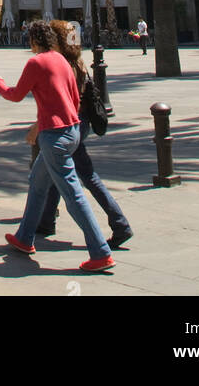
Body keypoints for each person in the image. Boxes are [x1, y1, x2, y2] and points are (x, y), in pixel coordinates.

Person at [0, 19, 114, 272]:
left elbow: (16, 95)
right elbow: (74, 97)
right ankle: (25, 237)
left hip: (54, 137)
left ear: (34, 40)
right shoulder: (61, 60)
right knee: (37, 185)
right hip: (72, 131)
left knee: (73, 195)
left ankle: (101, 251)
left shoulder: (36, 62)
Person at [36, 21, 133, 250]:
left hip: (70, 126)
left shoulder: (63, 65)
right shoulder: (78, 62)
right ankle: (47, 220)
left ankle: (119, 224)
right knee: (53, 171)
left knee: (87, 176)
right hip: (79, 124)